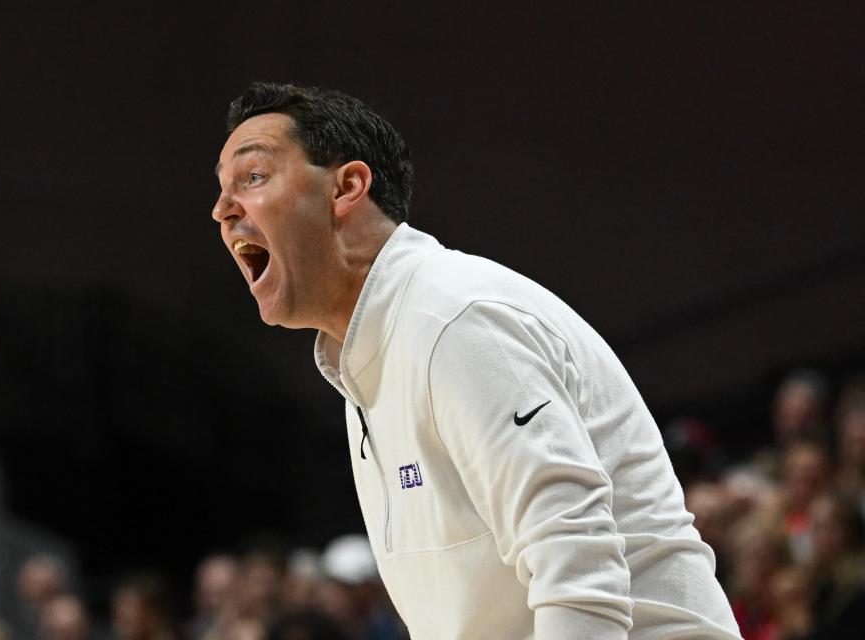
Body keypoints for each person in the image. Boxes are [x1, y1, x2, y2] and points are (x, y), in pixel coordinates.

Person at [211, 81, 742, 639]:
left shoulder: (455, 319)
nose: (222, 210)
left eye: (253, 178)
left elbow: (580, 574)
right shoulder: (371, 360)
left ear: (347, 188)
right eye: (222, 191)